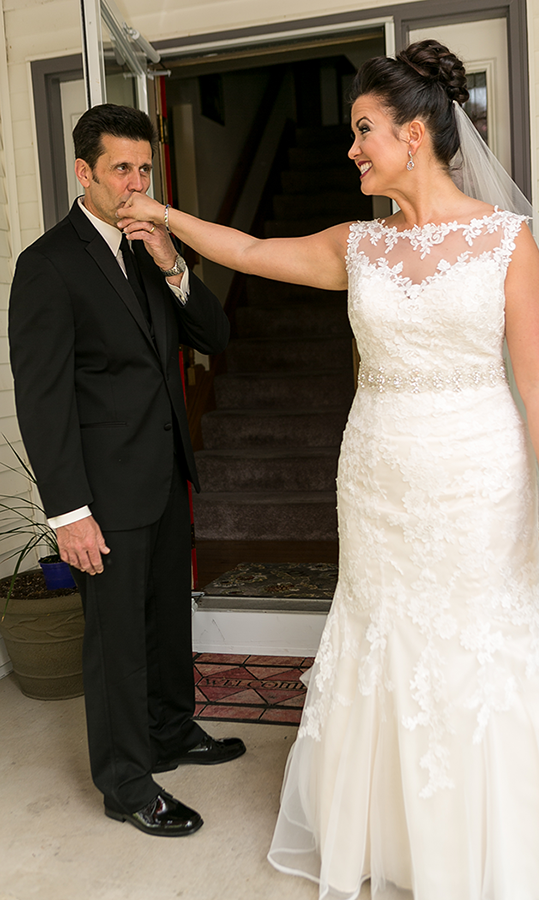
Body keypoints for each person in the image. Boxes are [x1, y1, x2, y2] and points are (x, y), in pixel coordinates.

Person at [117, 42, 539, 897]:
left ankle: (491, 849)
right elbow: (255, 250)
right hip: (376, 478)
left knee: (473, 647)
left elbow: (535, 378)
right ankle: (394, 838)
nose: (352, 149)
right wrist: (165, 218)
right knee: (384, 643)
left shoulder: (504, 244)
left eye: (363, 131)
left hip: (477, 478)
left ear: (413, 135)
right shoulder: (359, 246)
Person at [8, 104, 246, 838]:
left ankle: (174, 732)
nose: (136, 182)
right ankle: (126, 784)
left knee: (168, 620)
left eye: (145, 168)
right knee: (115, 644)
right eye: (121, 169)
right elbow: (42, 399)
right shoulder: (46, 265)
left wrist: (174, 262)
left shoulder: (150, 248)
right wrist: (69, 512)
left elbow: (216, 334)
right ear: (84, 173)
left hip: (164, 475)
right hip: (102, 495)